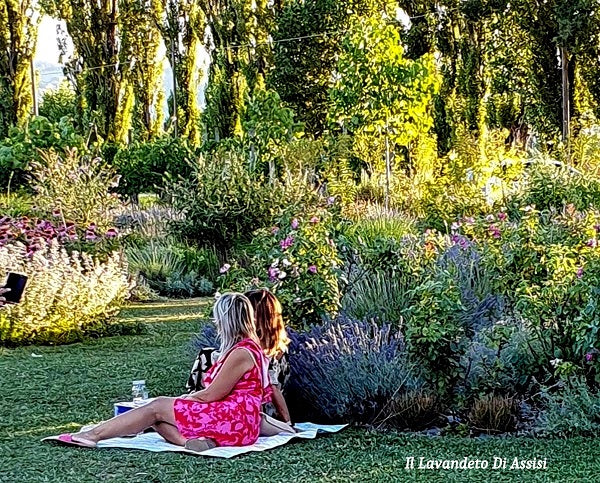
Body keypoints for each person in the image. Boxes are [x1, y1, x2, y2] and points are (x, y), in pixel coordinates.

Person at [56, 293, 270, 452]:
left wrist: (185, 398)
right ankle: (195, 443)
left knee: (157, 407)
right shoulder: (249, 348)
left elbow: (212, 394)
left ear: (225, 320)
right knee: (155, 418)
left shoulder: (242, 351)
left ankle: (93, 435)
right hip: (238, 421)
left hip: (234, 419)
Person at [244, 289, 292, 425]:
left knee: (207, 356)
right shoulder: (275, 345)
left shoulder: (266, 353)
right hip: (257, 405)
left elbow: (273, 388)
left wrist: (287, 424)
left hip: (262, 410)